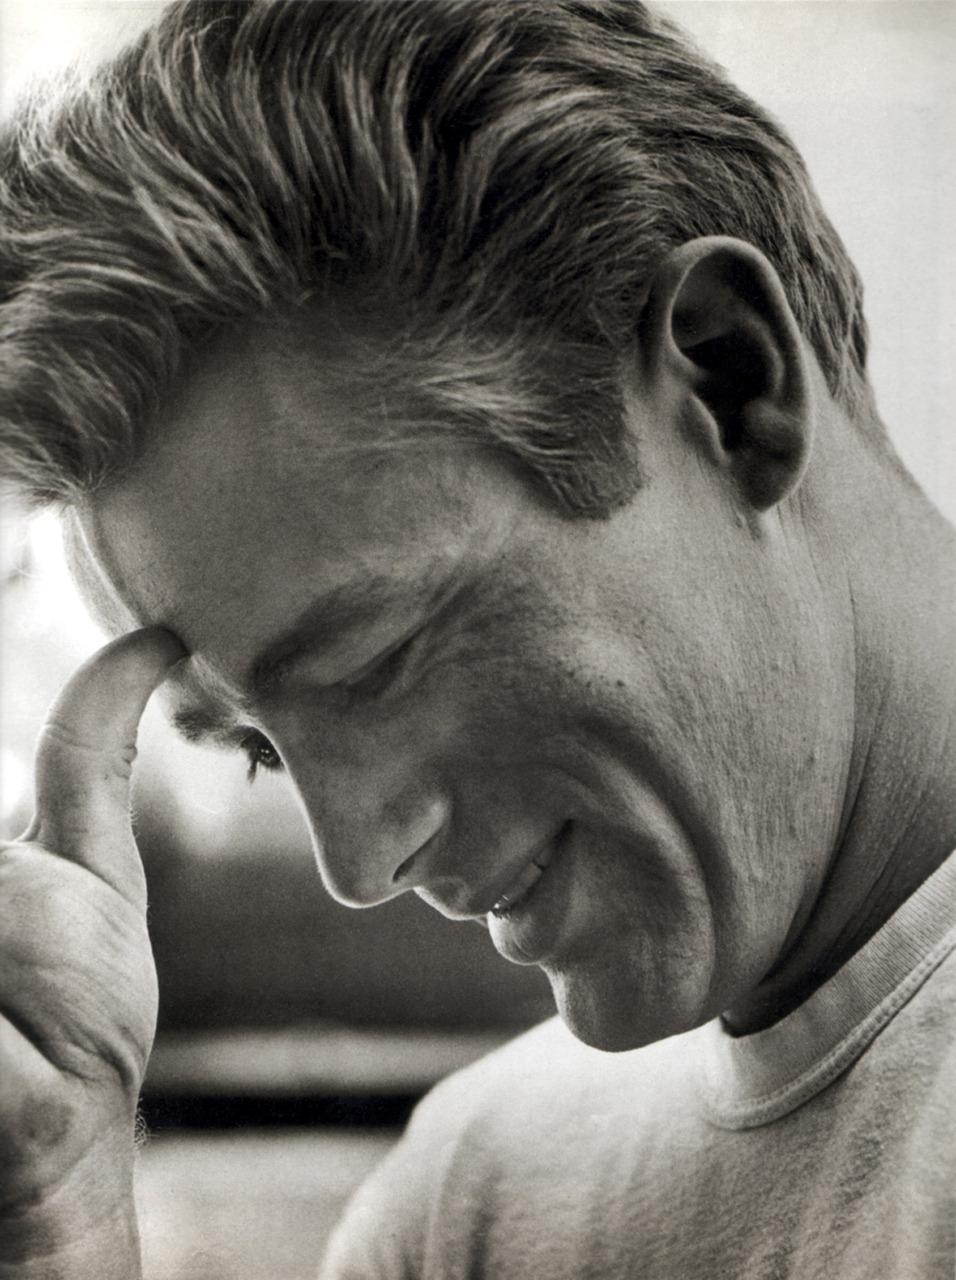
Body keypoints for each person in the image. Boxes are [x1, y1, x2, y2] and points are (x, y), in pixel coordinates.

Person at [1, 1, 953, 1277]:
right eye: (261, 751)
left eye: (372, 661)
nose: (360, 862)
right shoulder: (469, 1202)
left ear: (731, 384)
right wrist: (56, 1220)